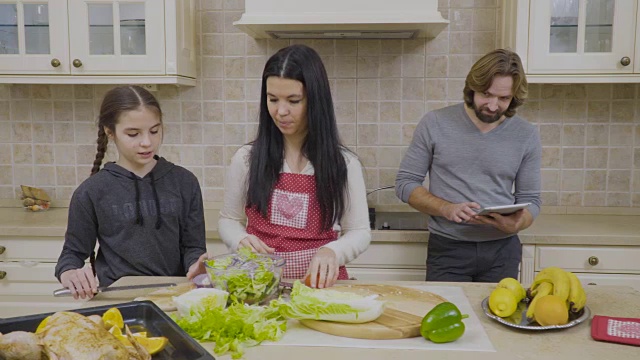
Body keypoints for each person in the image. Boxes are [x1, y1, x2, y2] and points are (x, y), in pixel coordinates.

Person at [218, 44, 371, 289]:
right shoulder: (247, 158)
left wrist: (333, 252)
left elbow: (360, 231)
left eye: (294, 100)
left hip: (320, 286)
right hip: (260, 285)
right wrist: (240, 239)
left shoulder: (344, 164)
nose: (280, 111)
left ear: (315, 100)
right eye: (272, 99)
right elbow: (228, 220)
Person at [395, 49, 542, 283]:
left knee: (494, 319)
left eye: (503, 99)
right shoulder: (435, 123)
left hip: (502, 251)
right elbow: (405, 184)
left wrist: (516, 222)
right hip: (447, 249)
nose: (493, 106)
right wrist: (446, 208)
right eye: (486, 94)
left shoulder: (526, 134)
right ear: (472, 87)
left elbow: (531, 200)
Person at [55, 85, 208, 299]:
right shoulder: (91, 192)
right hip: (118, 299)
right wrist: (69, 273)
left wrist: (197, 265)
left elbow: (193, 246)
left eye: (154, 131)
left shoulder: (184, 182)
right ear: (110, 132)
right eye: (133, 134)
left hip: (174, 297)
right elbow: (71, 255)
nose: (147, 142)